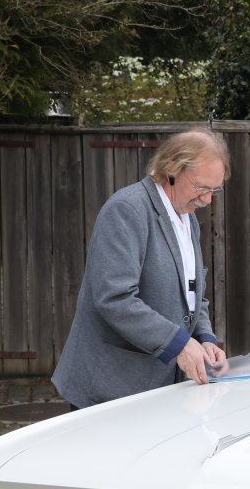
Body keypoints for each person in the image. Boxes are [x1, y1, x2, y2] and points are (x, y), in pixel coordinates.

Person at [52, 128, 231, 409]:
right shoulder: (127, 209)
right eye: (201, 187)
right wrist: (179, 344)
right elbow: (115, 298)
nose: (207, 200)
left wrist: (204, 338)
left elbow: (193, 295)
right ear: (172, 170)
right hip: (110, 389)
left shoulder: (188, 219)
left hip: (156, 390)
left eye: (214, 190)